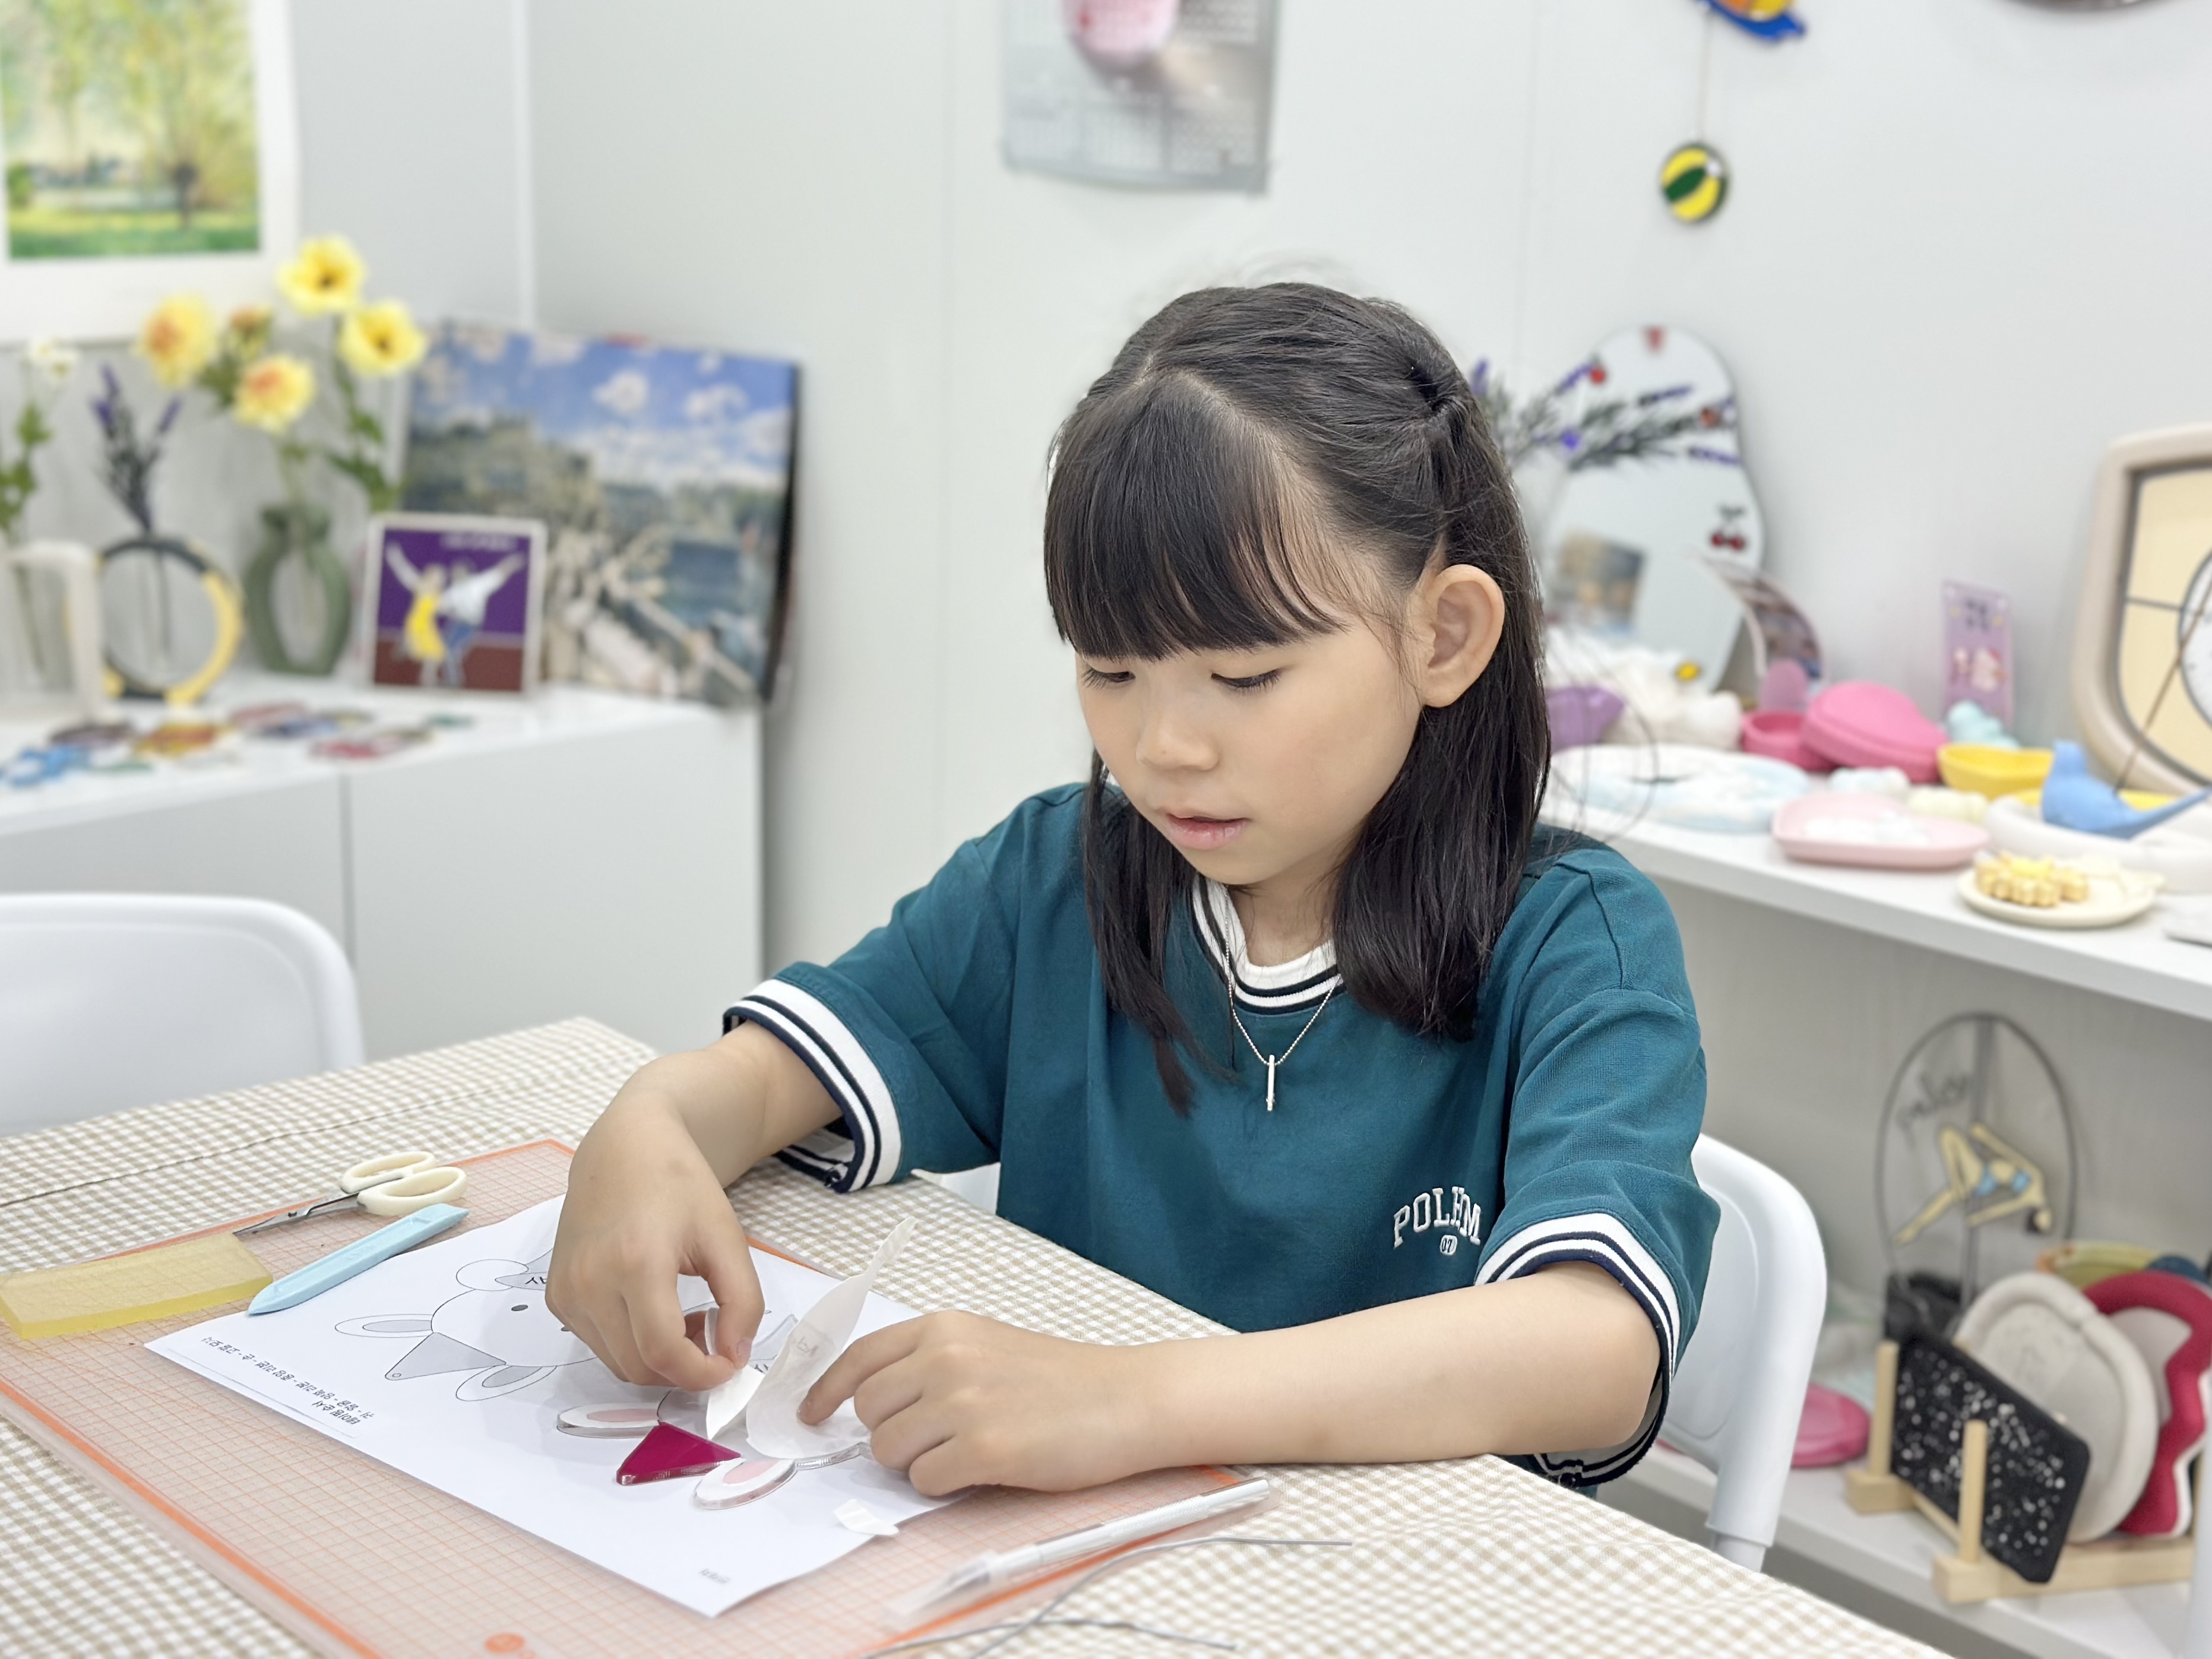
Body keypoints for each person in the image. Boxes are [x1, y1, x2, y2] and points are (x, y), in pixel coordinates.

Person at [549, 284, 1717, 1497]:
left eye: (1244, 677)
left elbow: (1596, 1347)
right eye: (1110, 670)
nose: (1161, 748)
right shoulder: (1058, 875)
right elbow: (763, 1082)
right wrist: (651, 1122)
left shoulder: (1575, 940)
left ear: (1445, 636)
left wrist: (1127, 1400)